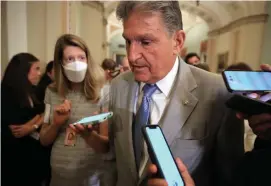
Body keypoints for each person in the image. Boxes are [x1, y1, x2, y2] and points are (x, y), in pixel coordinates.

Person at [72, 1, 243, 186]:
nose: (131, 56)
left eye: (145, 42)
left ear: (177, 42)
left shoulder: (218, 93)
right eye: (128, 41)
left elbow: (232, 178)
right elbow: (116, 155)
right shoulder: (119, 85)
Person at [39, 34, 111, 186]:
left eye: (81, 57)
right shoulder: (51, 91)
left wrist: (88, 135)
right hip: (59, 171)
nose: (77, 63)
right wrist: (56, 124)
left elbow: (106, 146)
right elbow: (44, 140)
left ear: (88, 59)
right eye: (70, 59)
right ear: (60, 63)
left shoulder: (103, 92)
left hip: (90, 174)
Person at [2, 53, 51, 186]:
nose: (40, 73)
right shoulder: (6, 92)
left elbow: (44, 111)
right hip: (14, 156)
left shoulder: (30, 90)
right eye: (36, 69)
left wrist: (32, 125)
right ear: (23, 70)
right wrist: (37, 120)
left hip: (30, 152)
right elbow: (16, 129)